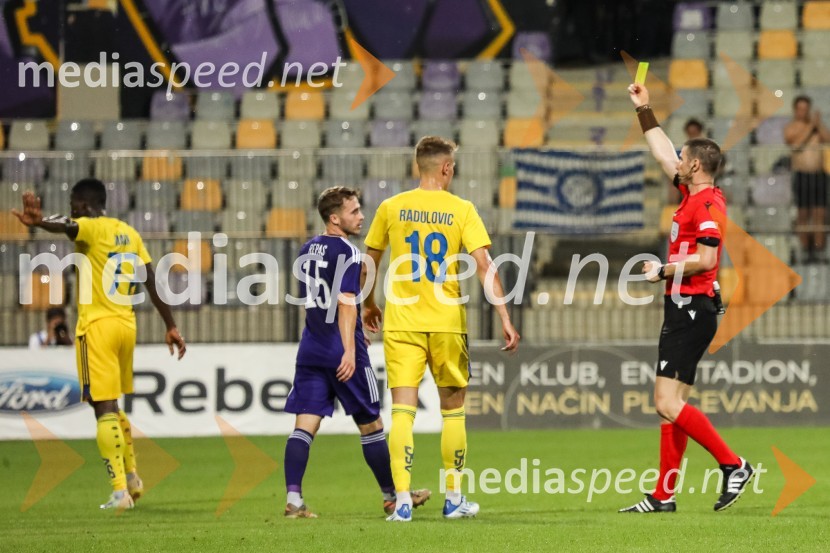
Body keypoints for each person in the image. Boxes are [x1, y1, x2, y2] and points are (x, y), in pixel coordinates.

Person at [362, 136, 520, 522]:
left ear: (419, 166)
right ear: (446, 168)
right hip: (448, 323)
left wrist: (368, 304)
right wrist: (504, 316)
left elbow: (369, 262)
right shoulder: (462, 209)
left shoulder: (391, 207)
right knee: (453, 412)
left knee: (402, 410)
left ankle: (401, 500)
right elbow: (485, 265)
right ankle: (453, 499)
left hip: (402, 323)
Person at [12, 179, 186, 510]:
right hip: (126, 325)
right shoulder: (129, 232)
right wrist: (171, 325)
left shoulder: (91, 227)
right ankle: (132, 476)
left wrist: (39, 222)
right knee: (113, 405)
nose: (71, 210)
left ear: (85, 205)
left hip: (97, 327)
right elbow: (150, 279)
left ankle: (120, 491)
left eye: (73, 205)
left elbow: (69, 226)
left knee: (101, 407)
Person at [619, 84, 753, 513]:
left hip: (691, 308)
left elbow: (708, 258)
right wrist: (643, 108)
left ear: (695, 164)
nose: (676, 158)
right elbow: (661, 152)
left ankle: (734, 465)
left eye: (683, 156)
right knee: (673, 406)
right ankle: (663, 495)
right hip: (686, 307)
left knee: (665, 402)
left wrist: (663, 269)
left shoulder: (709, 205)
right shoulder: (692, 193)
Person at [283, 186, 430, 519]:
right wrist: (350, 349)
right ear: (335, 218)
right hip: (341, 349)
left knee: (304, 425)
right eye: (354, 211)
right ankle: (393, 496)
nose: (361, 216)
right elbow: (346, 303)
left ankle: (294, 500)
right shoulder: (348, 252)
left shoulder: (307, 248)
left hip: (311, 346)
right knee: (371, 423)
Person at [785, 95, 830, 263]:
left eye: (806, 109)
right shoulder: (791, 127)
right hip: (802, 176)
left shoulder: (816, 128)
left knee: (820, 214)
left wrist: (819, 125)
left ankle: (819, 251)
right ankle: (805, 250)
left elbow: (828, 139)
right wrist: (811, 126)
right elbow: (795, 144)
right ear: (795, 110)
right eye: (800, 109)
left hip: (819, 175)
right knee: (803, 215)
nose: (803, 112)